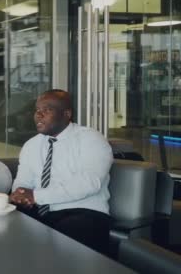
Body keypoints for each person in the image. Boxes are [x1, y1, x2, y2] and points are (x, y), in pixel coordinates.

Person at [10, 89, 113, 254]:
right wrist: (19, 194)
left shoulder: (91, 139)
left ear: (66, 114)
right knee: (3, 224)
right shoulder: (32, 145)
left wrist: (36, 196)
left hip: (83, 212)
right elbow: (23, 180)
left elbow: (89, 183)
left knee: (63, 241)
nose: (39, 115)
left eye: (47, 110)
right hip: (39, 209)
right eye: (37, 110)